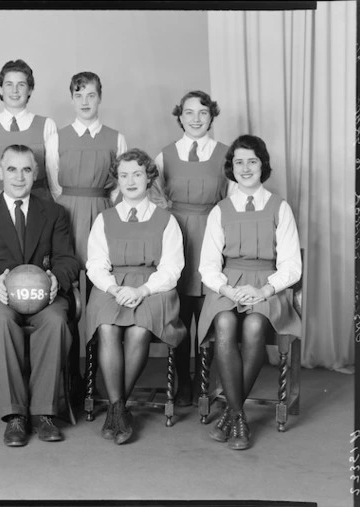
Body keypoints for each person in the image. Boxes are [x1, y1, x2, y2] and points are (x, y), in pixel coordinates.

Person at [0, 144, 80, 447]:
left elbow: (69, 260)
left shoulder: (53, 212)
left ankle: (44, 413)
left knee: (55, 321)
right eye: (12, 168)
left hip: (43, 296)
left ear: (36, 173)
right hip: (0, 297)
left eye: (26, 169)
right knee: (0, 321)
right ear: (0, 172)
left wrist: (55, 277)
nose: (19, 176)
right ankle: (15, 416)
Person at [197, 134, 302, 450]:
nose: (245, 168)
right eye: (239, 162)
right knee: (225, 323)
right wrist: (228, 289)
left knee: (255, 325)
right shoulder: (220, 210)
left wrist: (265, 290)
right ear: (232, 167)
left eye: (252, 161)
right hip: (228, 285)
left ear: (262, 165)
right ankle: (239, 416)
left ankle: (231, 413)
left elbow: (292, 266)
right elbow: (208, 265)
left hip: (268, 286)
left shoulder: (279, 208)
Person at [85, 149, 186, 444]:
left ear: (149, 177)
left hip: (153, 288)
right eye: (124, 175)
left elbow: (171, 268)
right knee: (106, 327)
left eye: (137, 174)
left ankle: (116, 407)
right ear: (117, 179)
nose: (131, 181)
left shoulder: (166, 220)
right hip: (113, 285)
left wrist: (142, 290)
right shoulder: (104, 219)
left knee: (140, 330)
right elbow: (96, 264)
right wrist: (115, 289)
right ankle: (119, 409)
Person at [150, 90, 235, 406]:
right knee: (180, 313)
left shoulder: (226, 154)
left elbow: (234, 201)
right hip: (177, 236)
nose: (196, 119)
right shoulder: (165, 155)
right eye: (189, 113)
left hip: (212, 235)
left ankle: (205, 379)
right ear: (180, 117)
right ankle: (180, 381)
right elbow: (151, 196)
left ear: (212, 116)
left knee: (208, 312)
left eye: (203, 112)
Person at [45, 71, 127, 265]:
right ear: (72, 100)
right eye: (78, 96)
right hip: (67, 210)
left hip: (102, 207)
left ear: (100, 98)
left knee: (100, 261)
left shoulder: (116, 138)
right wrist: (69, 204)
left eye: (91, 95)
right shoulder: (57, 138)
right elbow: (53, 181)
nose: (85, 102)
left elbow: (120, 183)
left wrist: (108, 208)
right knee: (69, 260)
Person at [0, 59, 57, 202]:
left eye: (21, 85)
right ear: (0, 89)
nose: (15, 90)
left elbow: (53, 173)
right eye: (9, 84)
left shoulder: (47, 125)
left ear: (30, 89)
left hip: (38, 202)